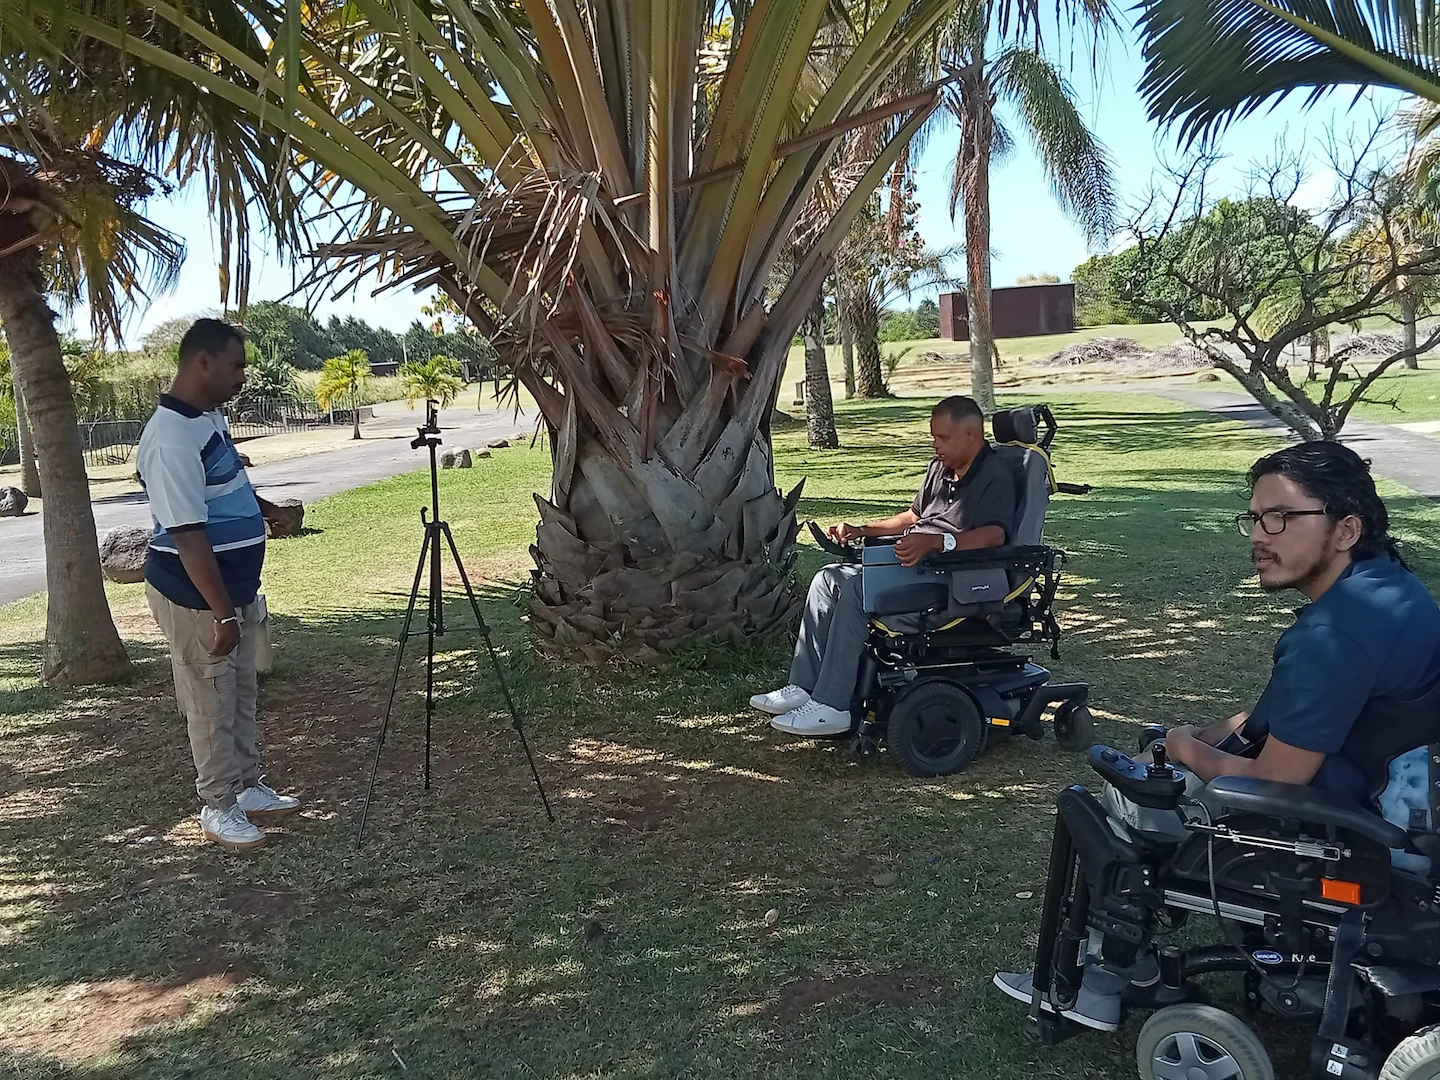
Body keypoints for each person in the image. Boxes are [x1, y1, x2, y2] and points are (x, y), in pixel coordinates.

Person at [993, 439, 1440, 1031]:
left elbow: (1278, 778)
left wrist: (1184, 749)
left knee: (1127, 801)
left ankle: (1105, 985)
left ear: (1346, 528)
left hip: (1374, 838)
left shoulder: (1336, 634)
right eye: (1254, 518)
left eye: (1281, 518)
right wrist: (1205, 734)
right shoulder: (1386, 591)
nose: (1261, 535)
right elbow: (1283, 719)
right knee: (1159, 766)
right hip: (1404, 797)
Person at [750, 395, 1017, 735]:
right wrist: (863, 530)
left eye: (943, 438)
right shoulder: (940, 468)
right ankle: (804, 688)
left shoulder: (997, 475)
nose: (936, 445)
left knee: (856, 591)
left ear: (972, 435)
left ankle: (833, 706)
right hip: (917, 563)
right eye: (934, 436)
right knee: (827, 579)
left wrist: (938, 542)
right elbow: (914, 517)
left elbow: (995, 535)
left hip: (953, 576)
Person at [138, 318, 301, 850]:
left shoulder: (207, 418)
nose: (242, 377)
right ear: (201, 362)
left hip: (235, 589)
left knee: (240, 693)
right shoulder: (169, 437)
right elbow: (187, 536)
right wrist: (221, 614)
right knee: (210, 698)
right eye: (236, 366)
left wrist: (265, 510)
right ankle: (218, 804)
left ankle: (247, 786)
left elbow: (229, 482)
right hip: (196, 596)